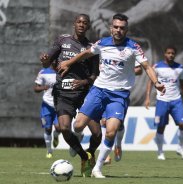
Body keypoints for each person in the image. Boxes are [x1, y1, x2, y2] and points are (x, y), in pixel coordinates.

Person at [57, 13, 165, 178]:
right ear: (111, 28)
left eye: (122, 28)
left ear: (126, 30)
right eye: (116, 27)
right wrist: (69, 62)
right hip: (99, 90)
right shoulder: (103, 43)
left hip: (119, 95)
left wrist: (156, 82)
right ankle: (77, 142)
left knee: (110, 131)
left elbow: (147, 67)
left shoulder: (133, 47)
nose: (118, 30)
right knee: (77, 126)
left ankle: (97, 168)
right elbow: (85, 54)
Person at [39, 14, 101, 177]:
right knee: (65, 128)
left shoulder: (91, 47)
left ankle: (91, 152)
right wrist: (45, 60)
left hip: (85, 93)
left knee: (97, 133)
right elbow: (47, 62)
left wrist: (84, 82)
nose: (81, 24)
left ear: (88, 27)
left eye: (85, 23)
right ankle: (83, 156)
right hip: (63, 94)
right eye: (79, 22)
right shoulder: (62, 40)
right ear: (74, 24)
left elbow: (95, 74)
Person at [145, 46, 183, 160]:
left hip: (176, 100)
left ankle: (180, 148)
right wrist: (147, 98)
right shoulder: (157, 67)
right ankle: (160, 152)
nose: (171, 55)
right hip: (162, 100)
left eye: (173, 53)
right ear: (164, 54)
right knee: (161, 127)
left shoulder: (179, 68)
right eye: (168, 53)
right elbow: (151, 82)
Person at [102, 64, 143, 165]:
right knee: (103, 121)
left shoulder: (130, 49)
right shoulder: (101, 49)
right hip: (103, 90)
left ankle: (118, 144)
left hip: (120, 93)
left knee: (118, 124)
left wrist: (121, 72)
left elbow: (139, 70)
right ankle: (106, 155)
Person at [34, 62, 60, 158]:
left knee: (59, 128)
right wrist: (43, 87)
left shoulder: (63, 70)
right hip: (46, 105)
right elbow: (35, 88)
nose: (54, 61)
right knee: (47, 128)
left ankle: (56, 136)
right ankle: (49, 151)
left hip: (59, 105)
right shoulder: (43, 72)